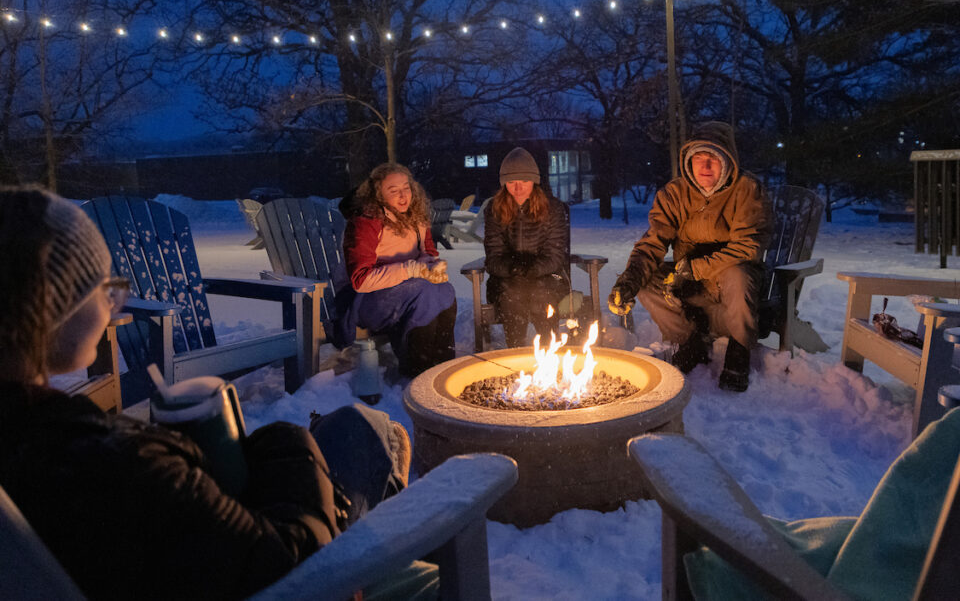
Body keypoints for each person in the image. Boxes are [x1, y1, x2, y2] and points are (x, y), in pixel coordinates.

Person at [0, 185, 435, 600]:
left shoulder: (39, 450)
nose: (113, 301)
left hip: (208, 556)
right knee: (361, 429)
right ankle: (399, 546)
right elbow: (288, 561)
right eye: (103, 287)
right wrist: (290, 443)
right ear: (51, 311)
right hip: (308, 577)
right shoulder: (111, 466)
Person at [607, 121, 773, 392]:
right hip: (690, 284)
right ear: (689, 161)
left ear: (727, 161)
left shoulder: (747, 190)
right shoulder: (674, 194)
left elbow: (748, 247)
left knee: (738, 274)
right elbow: (653, 243)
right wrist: (629, 281)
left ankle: (739, 351)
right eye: (698, 158)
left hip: (729, 284)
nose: (705, 166)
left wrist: (694, 269)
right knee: (649, 283)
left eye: (713, 159)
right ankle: (690, 341)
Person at [334, 163, 456, 378]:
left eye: (406, 188)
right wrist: (411, 269)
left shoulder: (416, 216)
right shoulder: (366, 222)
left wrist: (429, 264)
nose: (403, 196)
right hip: (362, 299)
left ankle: (443, 364)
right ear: (378, 194)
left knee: (445, 290)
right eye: (393, 191)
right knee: (424, 294)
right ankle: (417, 367)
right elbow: (361, 280)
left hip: (405, 291)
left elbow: (427, 250)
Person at [484, 147, 570, 347]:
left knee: (541, 292)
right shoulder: (495, 210)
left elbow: (556, 255)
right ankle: (515, 351)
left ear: (534, 181)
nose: (518, 187)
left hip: (549, 277)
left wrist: (534, 268)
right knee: (513, 294)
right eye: (512, 182)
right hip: (506, 279)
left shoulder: (553, 208)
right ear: (504, 183)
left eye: (524, 181)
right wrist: (513, 268)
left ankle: (549, 352)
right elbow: (494, 256)